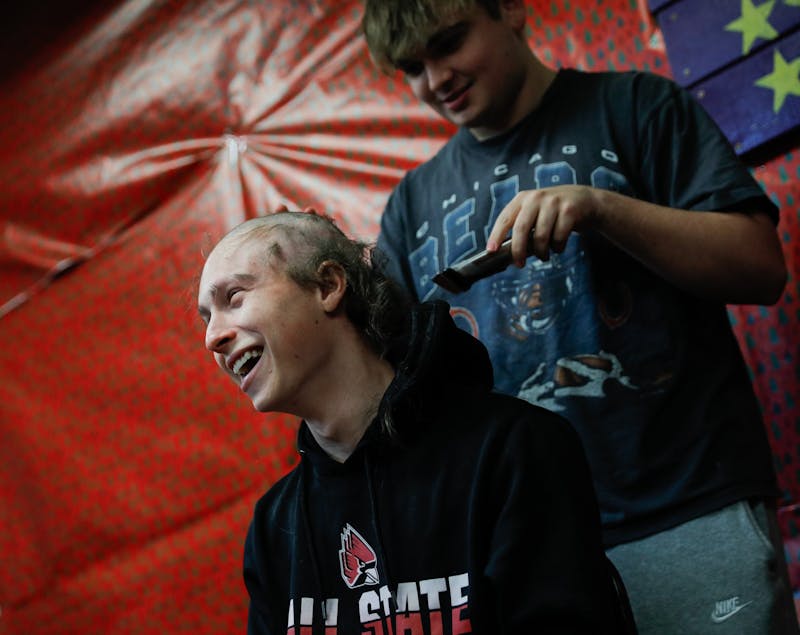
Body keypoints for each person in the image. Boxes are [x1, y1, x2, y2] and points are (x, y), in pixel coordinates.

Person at [360, 0, 796, 633]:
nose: (436, 79)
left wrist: (602, 208)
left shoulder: (639, 106)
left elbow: (760, 268)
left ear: (509, 10)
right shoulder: (411, 203)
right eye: (412, 67)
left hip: (687, 506)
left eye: (450, 42)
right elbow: (396, 380)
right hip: (530, 547)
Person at [197, 211, 625, 633]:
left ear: (328, 286)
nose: (212, 338)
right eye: (206, 318)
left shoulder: (515, 449)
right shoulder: (275, 525)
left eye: (234, 298)